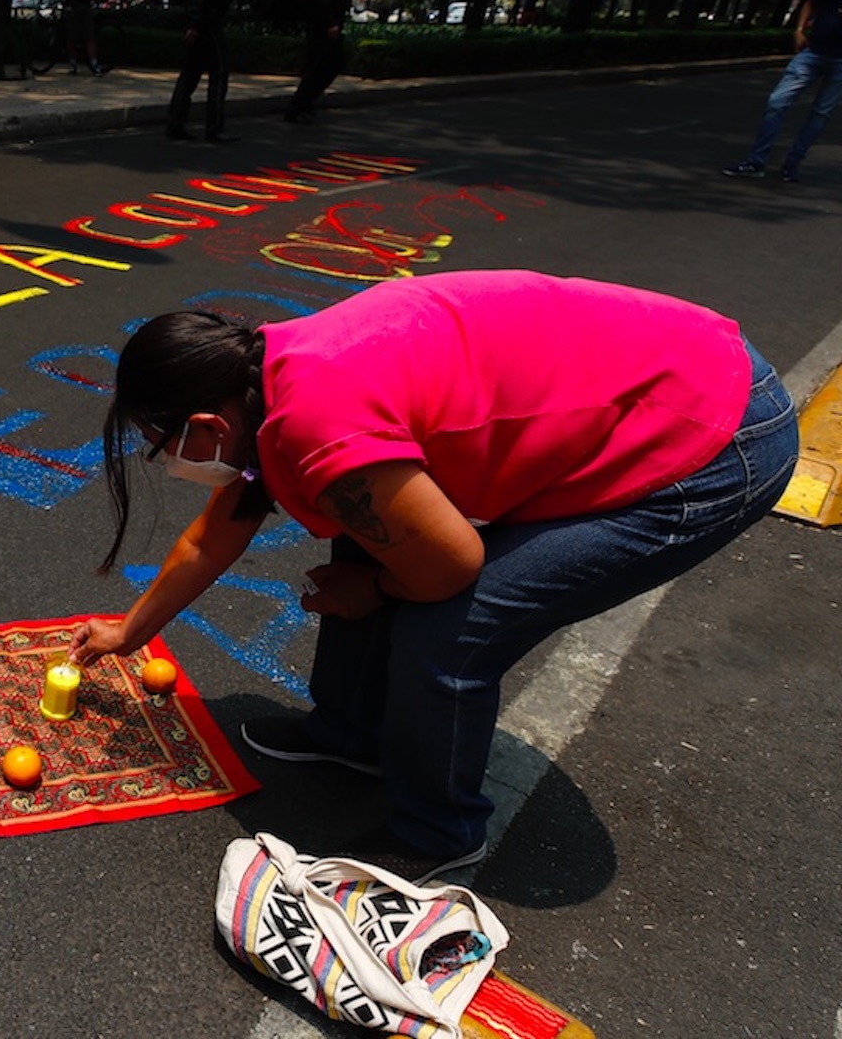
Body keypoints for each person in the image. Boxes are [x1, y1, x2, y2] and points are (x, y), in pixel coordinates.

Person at [70, 270, 798, 884]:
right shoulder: (265, 376)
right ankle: (350, 734)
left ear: (208, 424)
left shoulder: (317, 420)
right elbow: (211, 538)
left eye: (161, 444)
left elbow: (450, 566)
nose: (165, 459)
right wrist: (130, 632)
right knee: (371, 532)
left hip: (709, 432)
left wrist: (375, 591)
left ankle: (438, 834)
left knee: (447, 628)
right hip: (666, 368)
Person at [721, 0, 842, 184]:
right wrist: (799, 30)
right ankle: (757, 161)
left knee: (820, 114)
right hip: (813, 51)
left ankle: (792, 164)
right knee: (777, 102)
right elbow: (812, 2)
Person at [166, 0, 241, 142]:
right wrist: (194, 23)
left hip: (204, 21)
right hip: (207, 22)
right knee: (219, 72)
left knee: (191, 73)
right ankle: (214, 128)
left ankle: (176, 124)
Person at [282, 0, 358, 124]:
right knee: (316, 67)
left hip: (329, 26)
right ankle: (295, 108)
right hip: (321, 26)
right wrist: (331, 22)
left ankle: (306, 104)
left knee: (332, 64)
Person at [58, 0, 104, 76]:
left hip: (83, 3)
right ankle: (77, 63)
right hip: (74, 2)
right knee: (73, 36)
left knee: (88, 34)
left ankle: (91, 63)